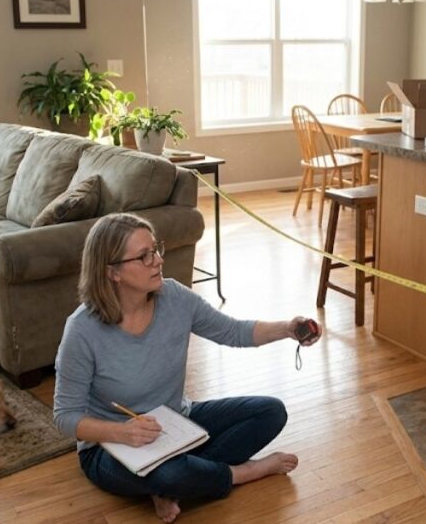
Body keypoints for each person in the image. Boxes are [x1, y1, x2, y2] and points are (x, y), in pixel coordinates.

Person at [53, 213, 321, 523]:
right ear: (112, 272)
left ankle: (176, 484)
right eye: (144, 256)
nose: (158, 261)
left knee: (271, 412)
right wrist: (121, 432)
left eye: (156, 249)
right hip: (109, 446)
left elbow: (233, 331)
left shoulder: (174, 297)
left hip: (176, 423)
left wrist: (288, 328)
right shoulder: (82, 330)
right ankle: (242, 473)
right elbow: (65, 417)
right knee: (167, 473)